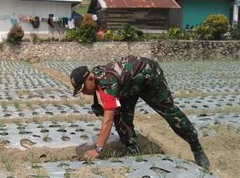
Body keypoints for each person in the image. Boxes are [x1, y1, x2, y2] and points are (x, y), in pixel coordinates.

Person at [70, 55, 210, 168]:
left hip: (149, 78)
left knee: (170, 113)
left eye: (84, 89)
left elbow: (108, 120)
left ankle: (196, 147)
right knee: (122, 116)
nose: (84, 93)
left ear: (90, 78)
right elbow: (106, 100)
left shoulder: (108, 84)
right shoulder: (96, 77)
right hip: (129, 86)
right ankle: (133, 150)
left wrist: (98, 148)